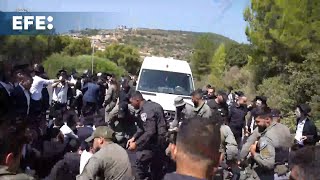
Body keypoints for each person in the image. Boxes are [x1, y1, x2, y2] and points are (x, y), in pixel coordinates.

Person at [239, 107, 292, 180]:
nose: (256, 124)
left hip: (271, 175)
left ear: (267, 119)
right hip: (285, 172)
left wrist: (253, 153)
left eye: (258, 121)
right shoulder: (285, 128)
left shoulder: (266, 138)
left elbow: (268, 163)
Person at [127, 91, 168, 180]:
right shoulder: (153, 105)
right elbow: (143, 127)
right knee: (156, 169)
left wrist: (136, 144)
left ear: (137, 100)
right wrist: (134, 137)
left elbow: (150, 131)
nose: (132, 105)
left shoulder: (146, 111)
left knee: (138, 164)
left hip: (154, 144)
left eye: (132, 102)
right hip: (161, 143)